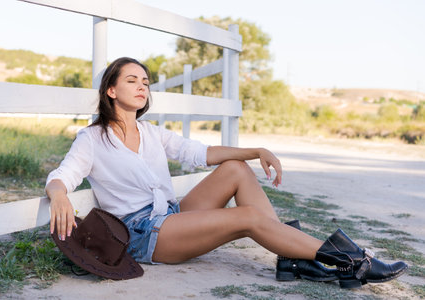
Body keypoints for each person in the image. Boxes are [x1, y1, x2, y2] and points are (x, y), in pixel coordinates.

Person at [46, 57, 407, 289]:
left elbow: (201, 153)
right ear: (111, 90)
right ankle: (353, 261)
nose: (143, 86)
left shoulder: (152, 132)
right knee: (247, 218)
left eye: (145, 81)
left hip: (171, 216)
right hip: (142, 233)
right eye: (132, 80)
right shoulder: (93, 138)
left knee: (235, 169)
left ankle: (292, 258)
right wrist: (59, 194)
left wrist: (256, 151)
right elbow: (64, 174)